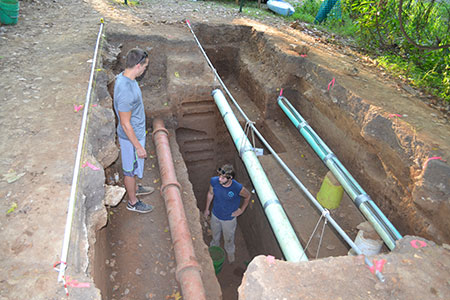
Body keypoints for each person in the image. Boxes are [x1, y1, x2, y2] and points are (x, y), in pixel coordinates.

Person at [114, 48, 154, 213]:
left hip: (135, 134)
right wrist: (138, 146)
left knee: (133, 166)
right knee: (129, 171)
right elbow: (125, 124)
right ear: (138, 66)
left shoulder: (125, 77)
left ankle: (135, 188)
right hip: (130, 138)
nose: (145, 70)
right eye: (145, 67)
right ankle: (132, 201)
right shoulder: (126, 92)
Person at [204, 164, 251, 263]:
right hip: (215, 215)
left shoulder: (237, 188)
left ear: (230, 178)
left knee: (229, 237)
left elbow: (248, 196)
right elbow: (210, 193)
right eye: (219, 176)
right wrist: (207, 209)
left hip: (229, 219)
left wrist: (241, 210)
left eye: (223, 178)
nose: (219, 179)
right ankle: (214, 246)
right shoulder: (214, 181)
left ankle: (230, 251)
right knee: (215, 232)